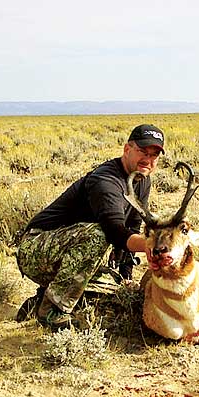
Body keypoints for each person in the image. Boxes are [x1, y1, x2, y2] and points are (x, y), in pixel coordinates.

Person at [16, 124, 165, 331]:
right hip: (34, 249)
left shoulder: (141, 180)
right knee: (98, 235)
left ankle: (40, 300)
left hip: (63, 252)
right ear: (127, 149)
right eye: (142, 152)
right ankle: (53, 311)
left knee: (113, 289)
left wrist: (126, 274)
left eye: (154, 156)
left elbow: (132, 226)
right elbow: (115, 232)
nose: (147, 160)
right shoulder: (106, 180)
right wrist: (155, 246)